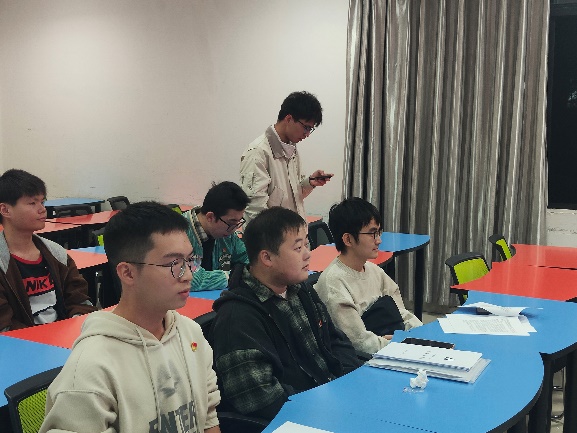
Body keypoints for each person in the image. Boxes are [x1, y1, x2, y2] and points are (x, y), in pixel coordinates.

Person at [41, 202, 221, 433]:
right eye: (173, 264)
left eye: (189, 260)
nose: (187, 275)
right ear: (127, 273)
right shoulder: (91, 369)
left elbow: (208, 416)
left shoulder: (190, 333)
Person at [210, 207, 362, 422]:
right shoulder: (237, 317)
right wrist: (327, 405)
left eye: (307, 244)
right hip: (302, 419)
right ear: (267, 257)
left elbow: (336, 341)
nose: (308, 254)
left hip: (332, 402)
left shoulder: (300, 290)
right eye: (298, 248)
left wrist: (348, 386)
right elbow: (260, 399)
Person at [314, 198, 422, 355]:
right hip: (369, 360)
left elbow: (402, 314)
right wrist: (403, 345)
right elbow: (360, 343)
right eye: (372, 233)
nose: (379, 240)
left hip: (395, 348)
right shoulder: (334, 284)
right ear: (348, 239)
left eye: (378, 232)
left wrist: (421, 336)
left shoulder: (374, 271)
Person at [0, 169, 95, 332]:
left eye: (42, 202)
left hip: (64, 336)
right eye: (32, 203)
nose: (42, 209)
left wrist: (76, 325)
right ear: (5, 210)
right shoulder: (3, 263)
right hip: (23, 343)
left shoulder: (57, 253)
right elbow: (4, 325)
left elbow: (78, 299)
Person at [240, 91, 333, 225]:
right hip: (273, 236)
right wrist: (283, 237)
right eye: (306, 127)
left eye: (310, 129)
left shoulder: (292, 149)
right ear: (289, 119)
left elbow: (293, 197)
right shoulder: (258, 153)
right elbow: (255, 211)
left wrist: (310, 182)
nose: (307, 134)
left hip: (295, 233)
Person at [183, 181, 249, 291]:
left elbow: (250, 260)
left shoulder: (228, 234)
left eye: (238, 222)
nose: (234, 229)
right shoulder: (177, 232)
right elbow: (187, 278)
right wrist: (233, 276)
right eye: (231, 222)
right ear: (210, 217)